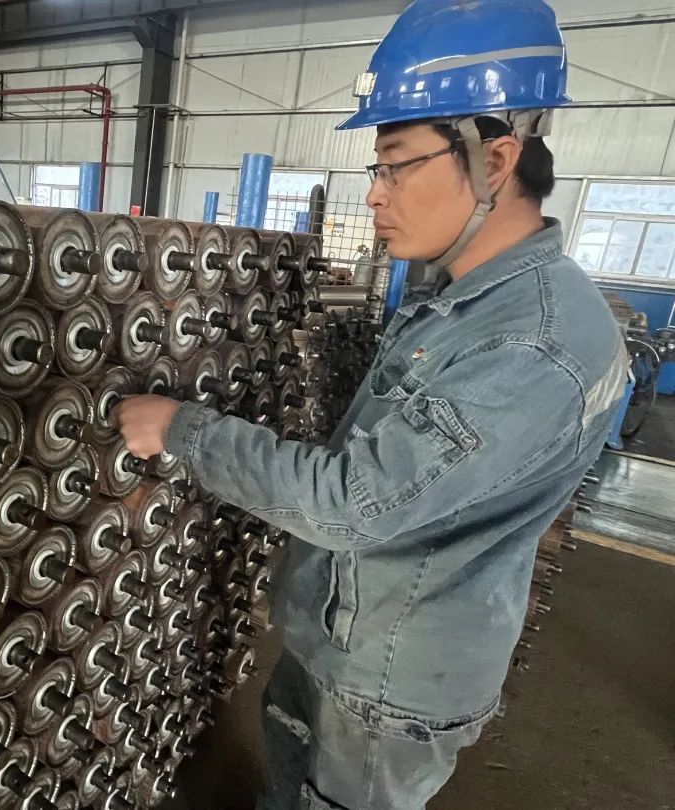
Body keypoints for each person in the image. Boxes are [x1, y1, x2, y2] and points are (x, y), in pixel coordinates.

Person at [111, 1, 628, 808]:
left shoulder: (529, 343)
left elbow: (357, 505)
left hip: (390, 683)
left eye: (395, 165)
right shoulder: (470, 302)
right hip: (356, 636)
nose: (377, 195)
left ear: (495, 160)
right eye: (374, 170)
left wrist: (183, 430)